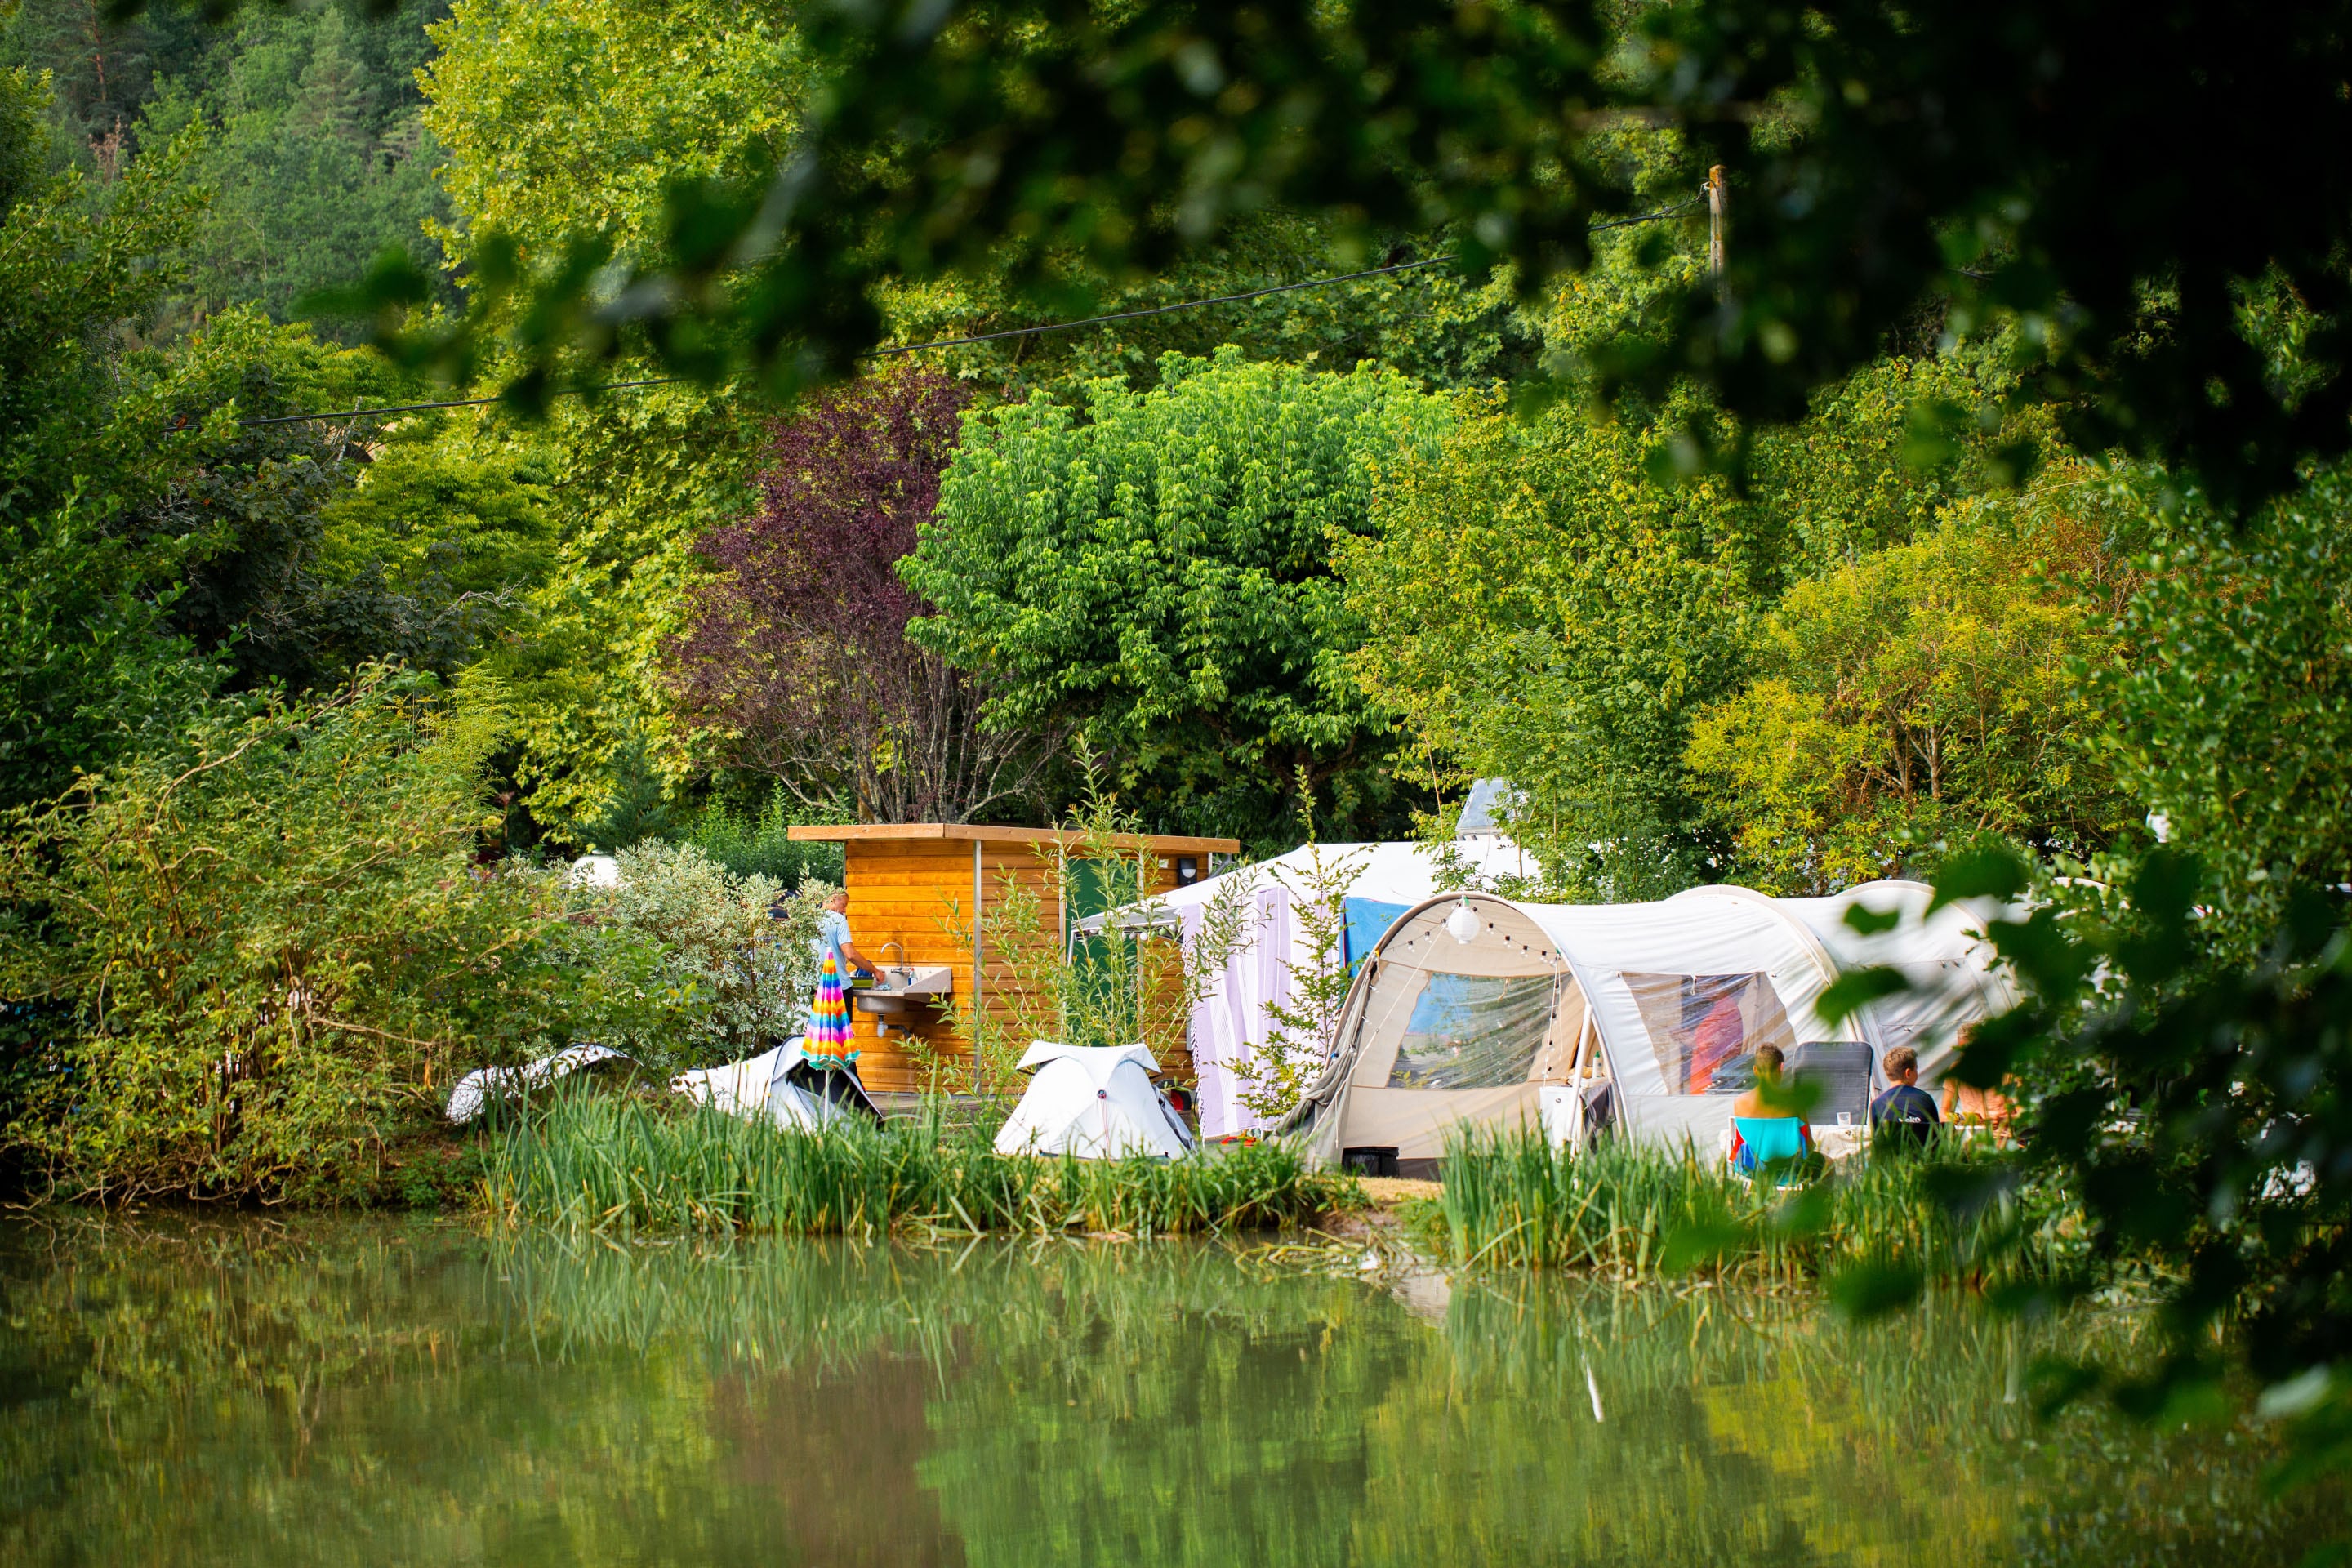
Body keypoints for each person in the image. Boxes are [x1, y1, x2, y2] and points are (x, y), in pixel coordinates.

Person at [1728, 1043, 1815, 1174]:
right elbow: (1809, 1145)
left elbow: (1743, 1144)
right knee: (1828, 1164)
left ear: (1755, 1070)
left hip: (1753, 1172)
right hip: (1791, 1172)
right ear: (1781, 1068)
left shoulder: (1740, 1102)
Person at [1871, 1045, 1941, 1145]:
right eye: (1916, 1069)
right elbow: (1936, 1137)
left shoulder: (1876, 1104)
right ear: (1908, 1073)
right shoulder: (1924, 1099)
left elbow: (1878, 1144)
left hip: (1893, 1160)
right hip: (1925, 1159)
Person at [810, 890, 877, 988]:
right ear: (833, 900)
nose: (845, 910)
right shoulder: (838, 919)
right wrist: (875, 971)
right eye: (844, 905)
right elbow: (850, 954)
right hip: (837, 985)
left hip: (814, 985)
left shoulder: (810, 919)